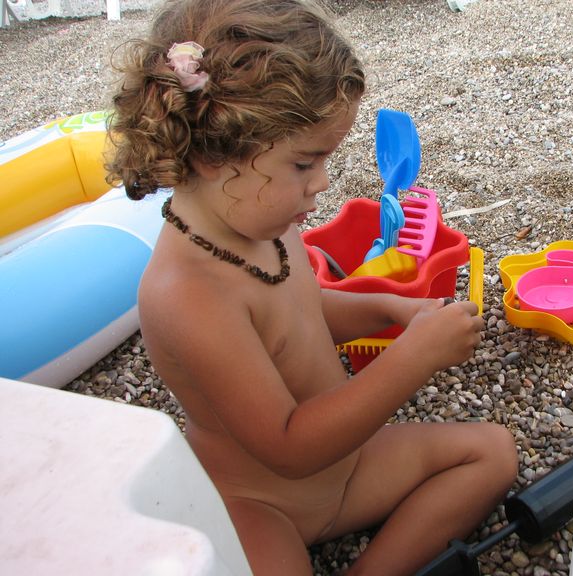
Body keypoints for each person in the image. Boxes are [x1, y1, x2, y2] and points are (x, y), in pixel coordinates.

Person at [106, 0, 519, 574]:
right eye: (304, 163)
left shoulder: (264, 222)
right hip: (260, 501)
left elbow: (304, 310)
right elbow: (289, 446)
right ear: (213, 155)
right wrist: (415, 357)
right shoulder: (188, 294)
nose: (322, 182)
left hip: (349, 463)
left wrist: (390, 308)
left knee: (494, 452)